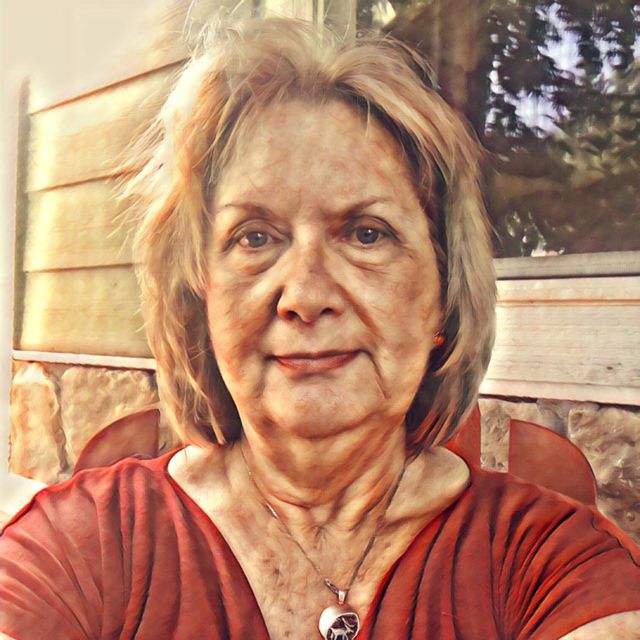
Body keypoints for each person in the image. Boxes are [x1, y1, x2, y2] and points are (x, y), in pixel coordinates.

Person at [1, 17, 639, 640]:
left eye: (366, 234)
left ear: (443, 295)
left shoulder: (550, 561)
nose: (305, 297)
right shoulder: (85, 545)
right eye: (255, 237)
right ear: (201, 299)